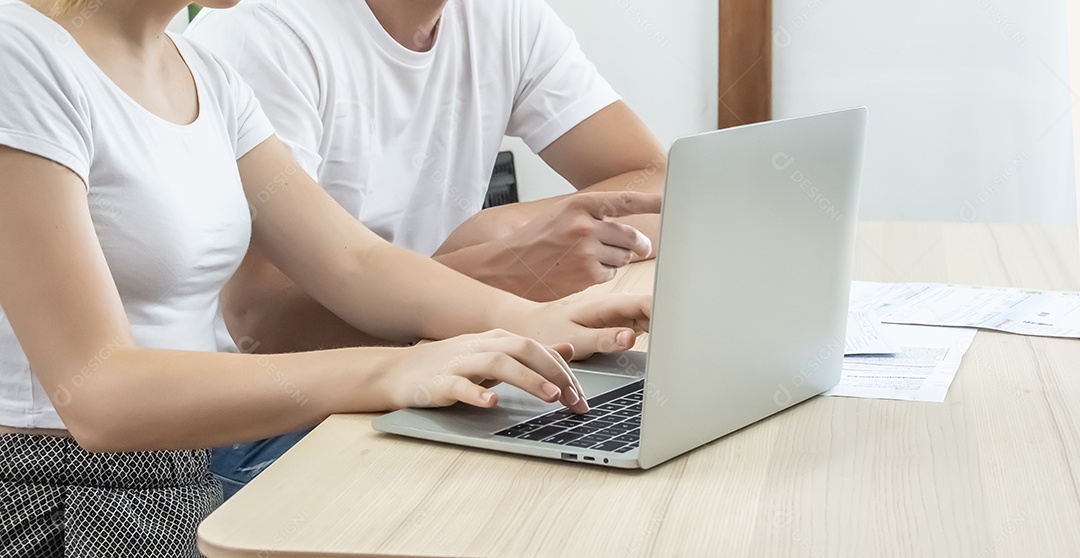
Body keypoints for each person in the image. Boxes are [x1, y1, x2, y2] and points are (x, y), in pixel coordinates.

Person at [0, 0, 655, 555]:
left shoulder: (201, 73)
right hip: (53, 492)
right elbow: (100, 394)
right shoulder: (19, 56)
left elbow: (353, 262)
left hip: (178, 470)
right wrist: (390, 370)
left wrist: (532, 323)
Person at [186, 0, 667, 498]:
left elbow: (659, 189)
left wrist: (506, 231)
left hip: (432, 357)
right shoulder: (263, 34)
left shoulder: (504, 16)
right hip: (281, 414)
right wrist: (496, 269)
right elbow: (263, 328)